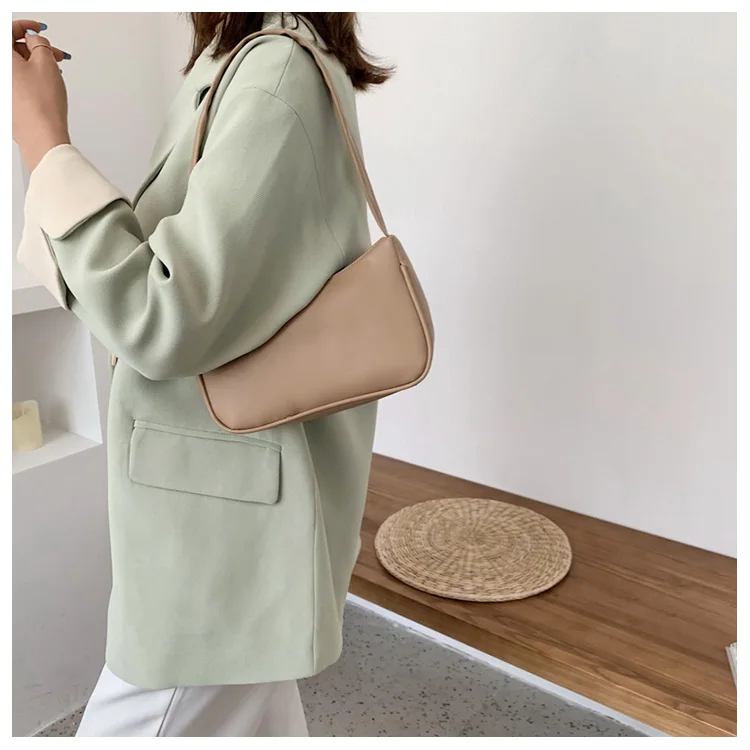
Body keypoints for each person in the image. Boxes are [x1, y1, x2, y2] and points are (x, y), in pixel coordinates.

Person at [12, 12, 390, 737]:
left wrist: (44, 142)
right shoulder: (242, 61)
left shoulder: (276, 75)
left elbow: (161, 314)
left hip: (220, 526)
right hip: (226, 497)